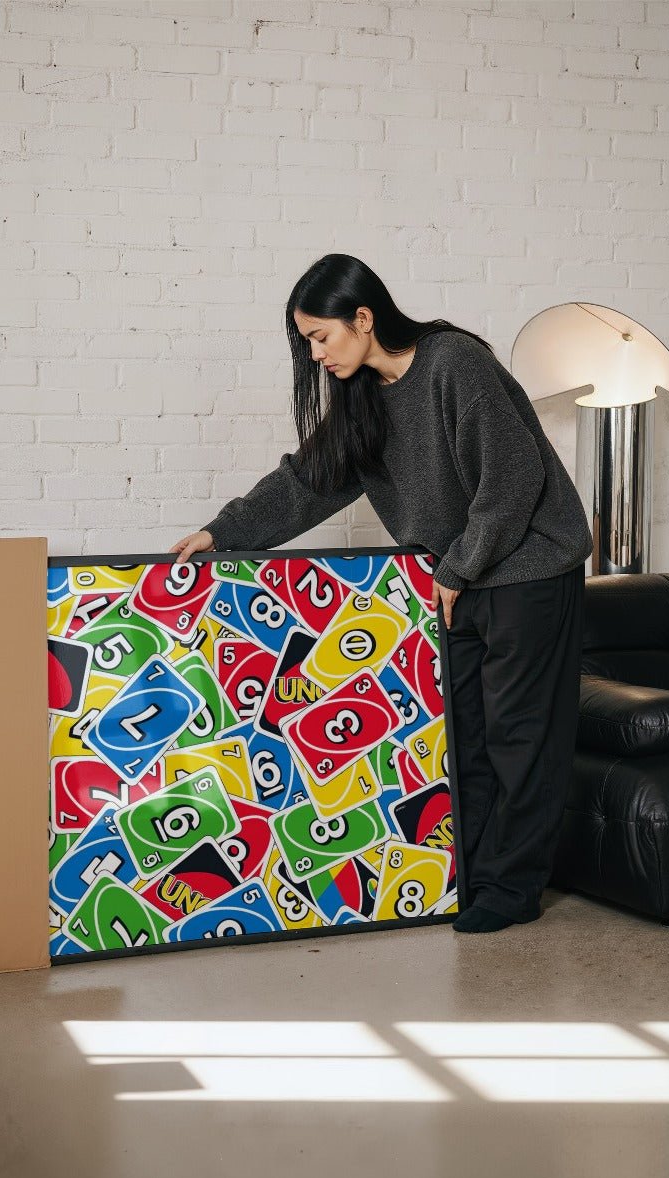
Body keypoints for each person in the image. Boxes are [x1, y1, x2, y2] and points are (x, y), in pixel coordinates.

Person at [169, 253, 593, 934]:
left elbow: (513, 477)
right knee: (462, 739)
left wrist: (457, 568)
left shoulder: (453, 363)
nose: (316, 355)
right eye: (307, 342)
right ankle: (472, 878)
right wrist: (223, 533)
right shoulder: (362, 397)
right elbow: (307, 481)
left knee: (521, 737)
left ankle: (511, 891)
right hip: (455, 579)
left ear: (363, 318)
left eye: (321, 337)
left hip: (527, 567)